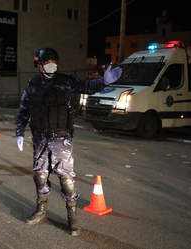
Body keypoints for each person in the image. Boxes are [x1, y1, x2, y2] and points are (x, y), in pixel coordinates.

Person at [15, 48, 122, 236]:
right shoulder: (32, 84)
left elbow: (87, 86)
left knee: (66, 179)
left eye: (53, 61)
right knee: (40, 176)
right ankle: (41, 211)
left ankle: (72, 217)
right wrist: (19, 132)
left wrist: (103, 81)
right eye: (46, 62)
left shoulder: (66, 82)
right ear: (39, 65)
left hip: (60, 138)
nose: (51, 65)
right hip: (40, 138)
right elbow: (24, 109)